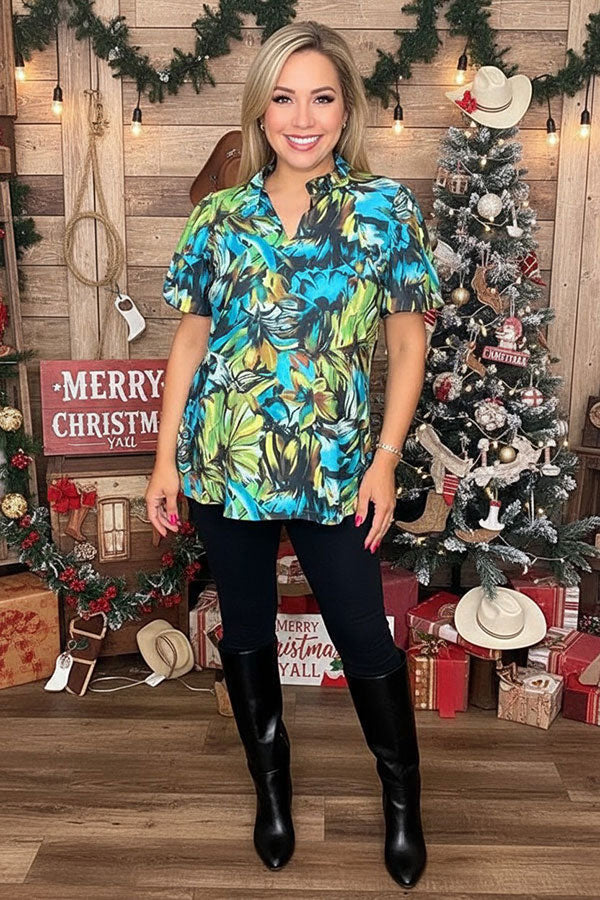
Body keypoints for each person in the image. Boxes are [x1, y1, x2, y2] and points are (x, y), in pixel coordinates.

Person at [145, 19, 443, 890]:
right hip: (224, 461)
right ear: (260, 109)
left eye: (320, 98)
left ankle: (402, 803)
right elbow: (191, 341)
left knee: (362, 634)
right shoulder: (219, 216)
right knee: (245, 633)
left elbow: (409, 341)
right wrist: (164, 459)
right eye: (283, 98)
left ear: (346, 109)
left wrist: (386, 457)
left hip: (337, 468)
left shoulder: (383, 210)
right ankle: (270, 794)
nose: (301, 119)